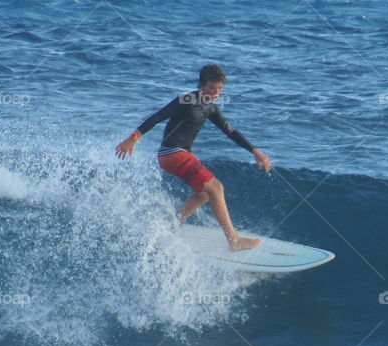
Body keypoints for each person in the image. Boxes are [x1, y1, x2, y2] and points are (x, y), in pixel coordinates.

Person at [115, 64, 271, 252]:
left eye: (220, 89)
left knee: (205, 193)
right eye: (213, 88)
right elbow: (158, 116)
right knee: (216, 188)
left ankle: (176, 221)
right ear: (202, 85)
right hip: (172, 153)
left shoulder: (210, 107)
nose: (216, 93)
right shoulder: (186, 100)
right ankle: (234, 241)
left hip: (179, 155)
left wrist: (254, 150)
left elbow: (230, 130)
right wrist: (132, 139)